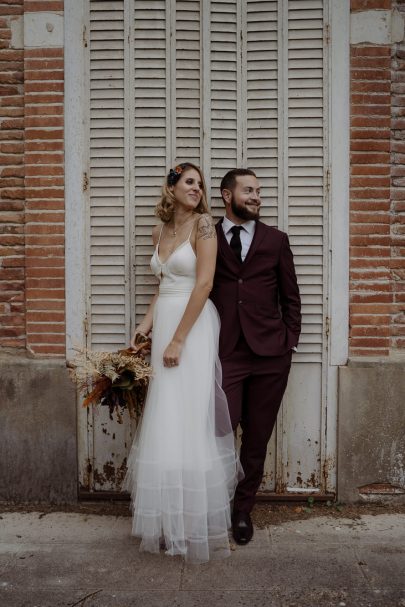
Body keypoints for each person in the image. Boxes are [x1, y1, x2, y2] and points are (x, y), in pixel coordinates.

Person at [123, 162, 240, 564]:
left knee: (190, 417)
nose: (197, 189)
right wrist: (145, 325)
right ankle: (168, 521)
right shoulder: (159, 232)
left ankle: (194, 524)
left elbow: (204, 283)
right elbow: (163, 287)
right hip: (167, 325)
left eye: (201, 184)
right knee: (165, 417)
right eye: (189, 182)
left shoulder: (204, 226)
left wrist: (177, 338)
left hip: (192, 328)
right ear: (170, 187)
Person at [210, 168, 301, 546]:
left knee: (257, 439)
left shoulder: (276, 240)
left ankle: (242, 511)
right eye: (249, 191)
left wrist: (288, 340)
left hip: (269, 355)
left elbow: (290, 295)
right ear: (227, 196)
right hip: (224, 351)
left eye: (259, 191)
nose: (257, 197)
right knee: (219, 430)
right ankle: (212, 505)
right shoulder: (206, 237)